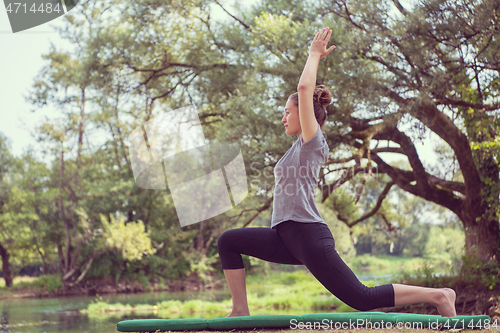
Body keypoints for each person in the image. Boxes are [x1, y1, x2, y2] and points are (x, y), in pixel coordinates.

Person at [217, 27, 457, 318]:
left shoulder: (312, 142)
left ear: (304, 115)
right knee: (228, 241)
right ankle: (240, 311)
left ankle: (440, 296)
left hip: (306, 234)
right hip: (285, 236)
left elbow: (305, 90)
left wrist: (313, 54)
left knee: (362, 298)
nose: (283, 118)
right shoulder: (295, 148)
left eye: (287, 112)